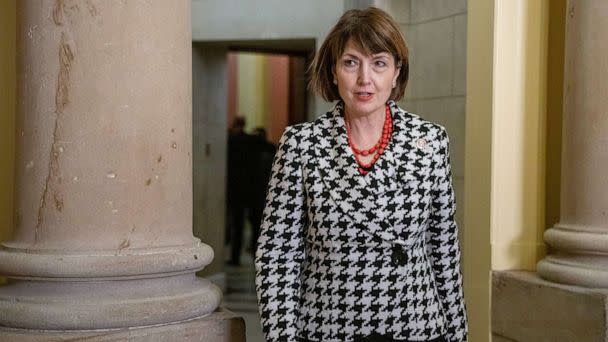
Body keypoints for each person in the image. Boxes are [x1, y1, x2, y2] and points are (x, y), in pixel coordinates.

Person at [255, 7, 467, 342]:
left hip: (414, 327)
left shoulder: (430, 142)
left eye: (379, 63)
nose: (364, 78)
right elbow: (277, 256)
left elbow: (444, 252)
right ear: (334, 71)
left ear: (396, 73)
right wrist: (282, 337)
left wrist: (457, 334)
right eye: (351, 62)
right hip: (329, 328)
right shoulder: (301, 145)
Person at [226, 116, 253, 266]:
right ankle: (241, 255)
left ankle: (234, 256)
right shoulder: (250, 141)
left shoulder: (231, 140)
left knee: (234, 223)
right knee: (240, 224)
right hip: (247, 189)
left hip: (233, 188)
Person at [248, 127, 276, 255]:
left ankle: (257, 247)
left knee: (258, 224)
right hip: (259, 194)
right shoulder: (269, 151)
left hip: (262, 194)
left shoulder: (262, 153)